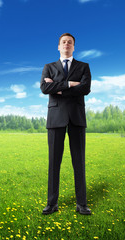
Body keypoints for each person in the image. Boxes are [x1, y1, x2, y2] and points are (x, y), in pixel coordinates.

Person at [40, 33, 92, 215]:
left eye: (70, 42)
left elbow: (85, 88)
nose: (66, 44)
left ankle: (82, 204)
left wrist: (59, 88)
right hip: (55, 118)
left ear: (73, 47)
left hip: (76, 118)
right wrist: (70, 84)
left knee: (79, 162)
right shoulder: (49, 67)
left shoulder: (84, 66)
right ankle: (52, 204)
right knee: (54, 162)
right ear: (58, 46)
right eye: (63, 42)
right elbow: (45, 88)